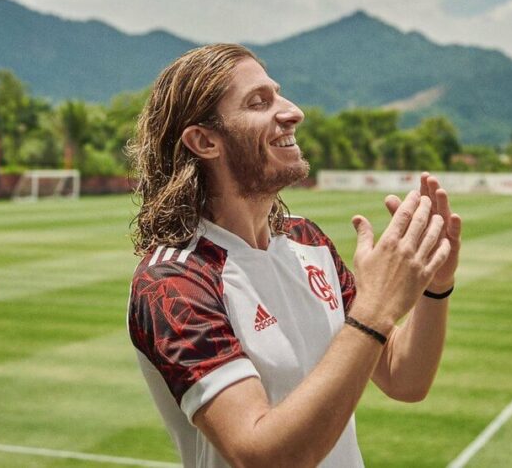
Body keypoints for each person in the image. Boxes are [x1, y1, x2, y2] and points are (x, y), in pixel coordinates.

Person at [127, 44, 462, 468]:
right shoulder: (173, 281)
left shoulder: (308, 240)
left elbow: (404, 378)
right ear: (205, 141)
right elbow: (262, 457)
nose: (293, 112)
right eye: (258, 102)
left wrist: (436, 287)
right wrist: (376, 307)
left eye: (278, 94)